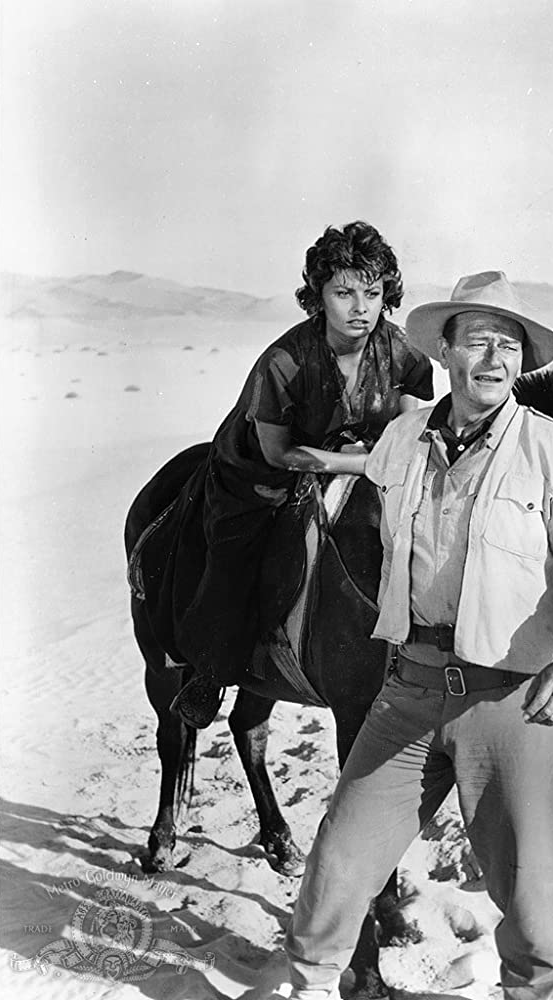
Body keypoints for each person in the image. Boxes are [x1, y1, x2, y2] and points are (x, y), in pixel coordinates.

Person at [282, 270, 553, 999]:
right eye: (477, 341)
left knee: (531, 903)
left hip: (510, 703)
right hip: (407, 693)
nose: (494, 359)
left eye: (509, 345)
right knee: (337, 867)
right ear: (445, 352)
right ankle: (308, 986)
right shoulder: (402, 440)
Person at [141, 221, 434, 728]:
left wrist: (378, 461)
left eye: (372, 293)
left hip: (358, 460)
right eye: (344, 293)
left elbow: (407, 436)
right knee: (234, 553)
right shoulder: (284, 361)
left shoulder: (402, 352)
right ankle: (212, 669)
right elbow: (279, 453)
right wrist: (363, 462)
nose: (360, 308)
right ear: (318, 296)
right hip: (259, 473)